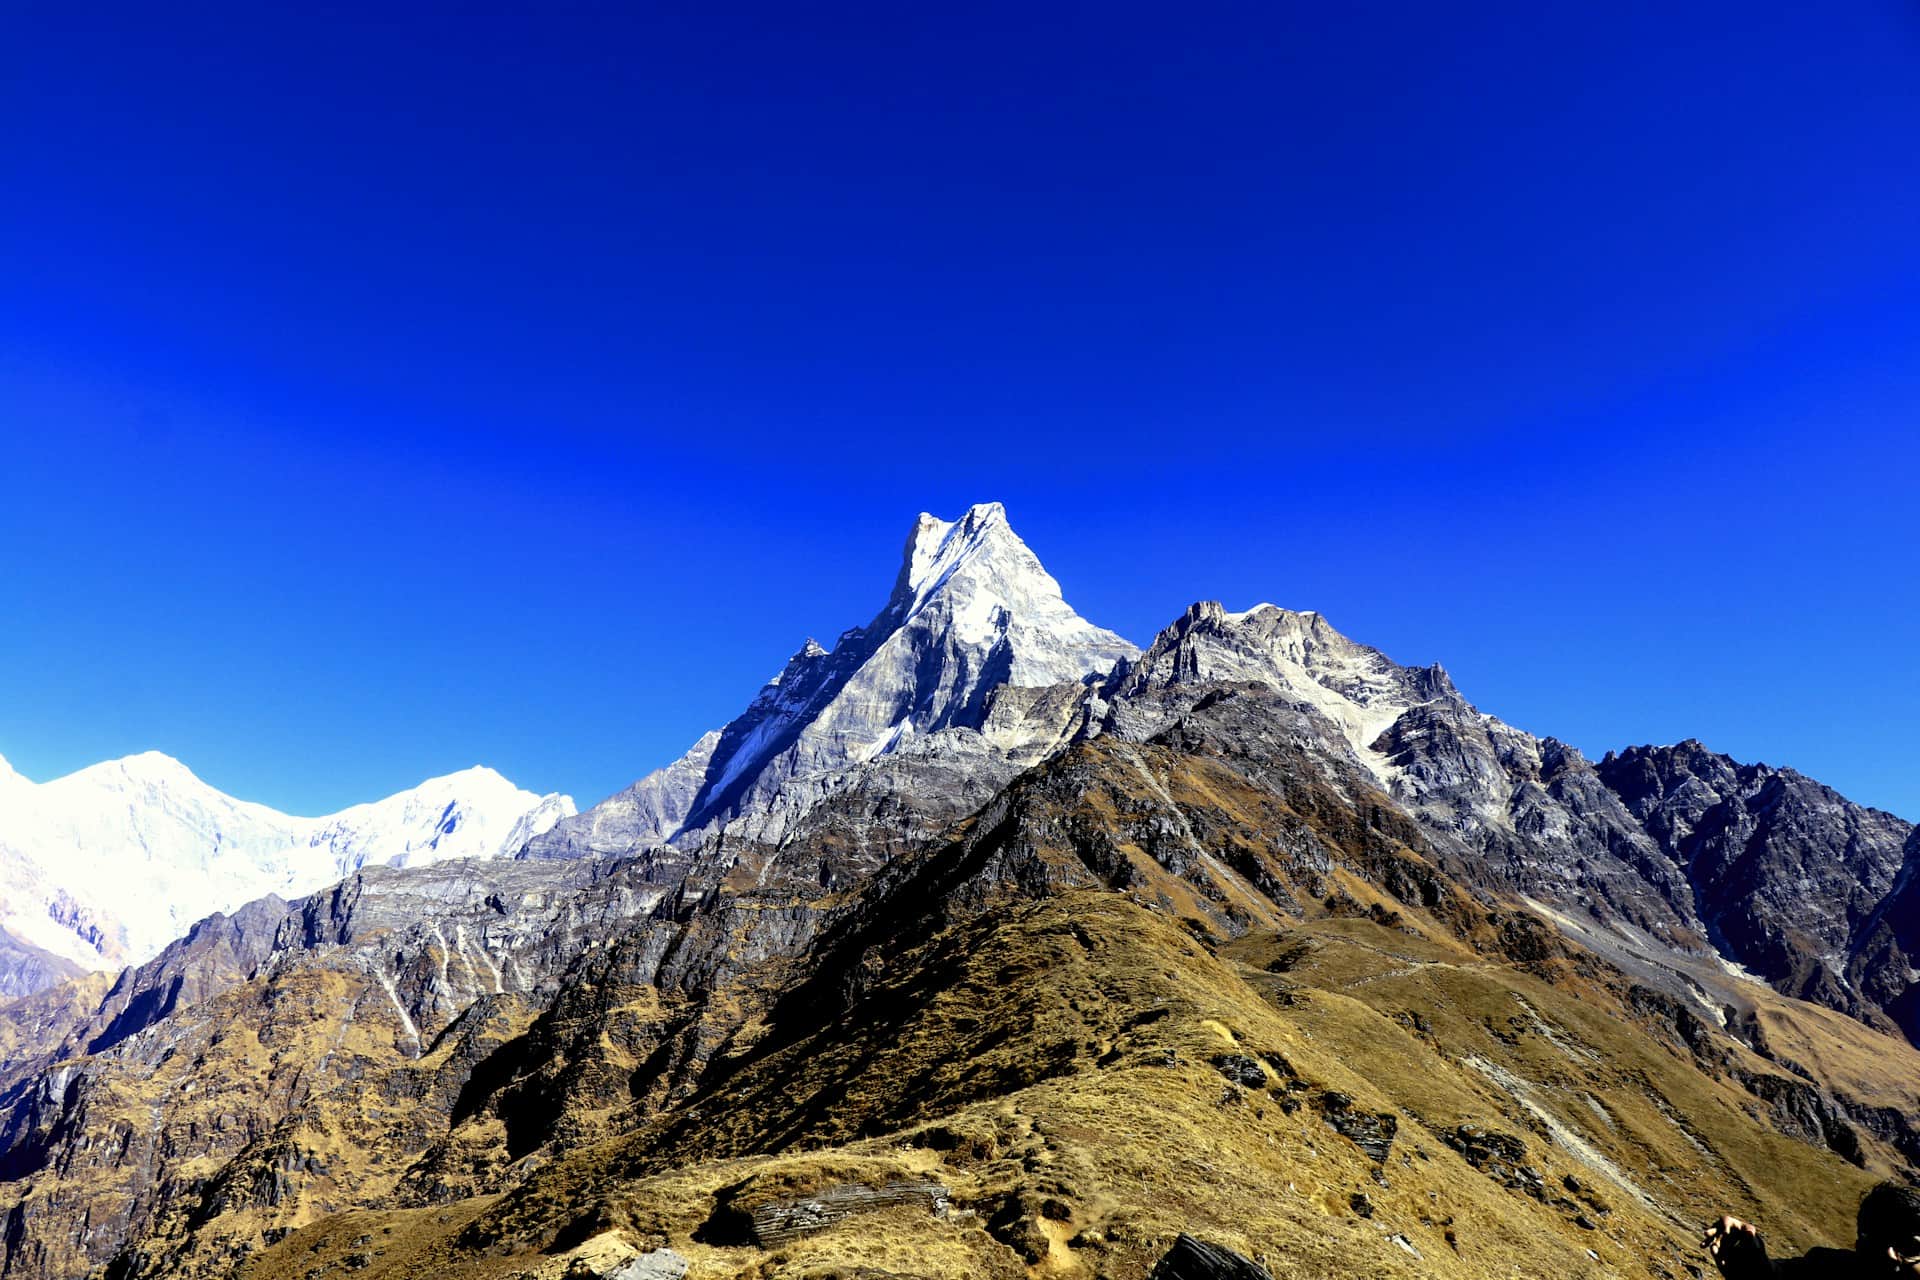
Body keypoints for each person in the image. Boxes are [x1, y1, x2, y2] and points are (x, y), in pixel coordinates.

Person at [1705, 1183, 1920, 1277]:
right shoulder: (1831, 1269)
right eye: (1878, 1245)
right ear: (1860, 1246)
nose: (1891, 1257)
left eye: (1907, 1246)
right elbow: (1773, 1276)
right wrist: (1744, 1246)